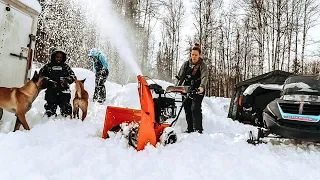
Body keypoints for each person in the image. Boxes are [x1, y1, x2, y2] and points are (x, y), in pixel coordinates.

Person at [176, 43, 208, 133]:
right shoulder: (186, 64)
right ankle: (190, 129)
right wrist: (177, 87)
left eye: (196, 55)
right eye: (192, 54)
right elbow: (180, 76)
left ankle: (198, 129)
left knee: (195, 108)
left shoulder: (202, 65)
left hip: (198, 90)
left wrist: (201, 87)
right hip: (186, 89)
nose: (194, 56)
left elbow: (204, 77)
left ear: (199, 55)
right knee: (187, 108)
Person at [39, 48, 76, 117]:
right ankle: (49, 119)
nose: (59, 59)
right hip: (51, 91)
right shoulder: (47, 67)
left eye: (61, 57)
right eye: (57, 57)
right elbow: (40, 77)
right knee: (50, 111)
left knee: (66, 111)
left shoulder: (66, 67)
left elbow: (73, 76)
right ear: (53, 57)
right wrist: (49, 82)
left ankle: (67, 120)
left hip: (64, 91)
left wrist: (66, 80)